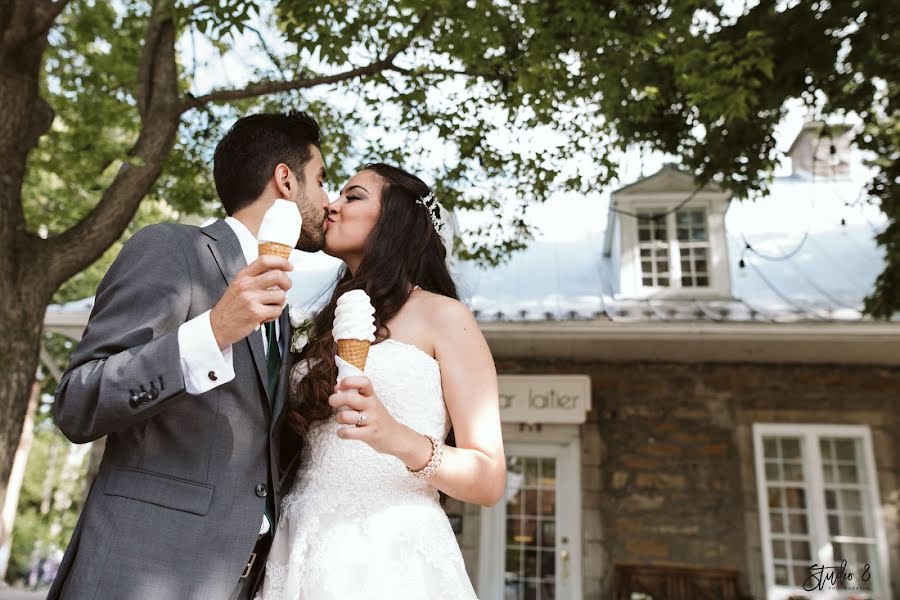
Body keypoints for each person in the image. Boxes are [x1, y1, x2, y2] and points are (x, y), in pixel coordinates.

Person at [48, 111, 329, 600]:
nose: (328, 201)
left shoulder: (280, 313)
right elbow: (77, 402)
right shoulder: (172, 249)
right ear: (285, 179)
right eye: (322, 180)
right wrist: (213, 331)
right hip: (138, 573)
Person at [257, 164, 506, 599]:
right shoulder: (326, 325)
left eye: (353, 196)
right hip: (300, 544)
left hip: (390, 553)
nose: (331, 205)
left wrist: (396, 437)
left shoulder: (445, 317)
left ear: (398, 220)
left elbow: (488, 479)